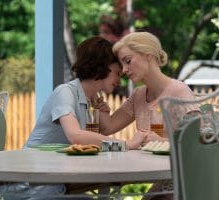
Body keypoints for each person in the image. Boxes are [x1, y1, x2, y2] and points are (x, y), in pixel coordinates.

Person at [95, 31, 197, 200]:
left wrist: (161, 143)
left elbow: (197, 142)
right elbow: (108, 128)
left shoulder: (178, 91)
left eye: (128, 61)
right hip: (163, 183)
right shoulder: (138, 95)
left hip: (185, 184)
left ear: (148, 55)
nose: (125, 70)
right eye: (122, 66)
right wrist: (102, 110)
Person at [25, 36, 146, 150]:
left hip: (55, 166)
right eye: (117, 73)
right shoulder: (65, 92)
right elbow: (75, 136)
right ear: (102, 66)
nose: (119, 82)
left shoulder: (91, 100)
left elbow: (93, 144)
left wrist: (103, 114)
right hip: (31, 167)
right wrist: (126, 145)